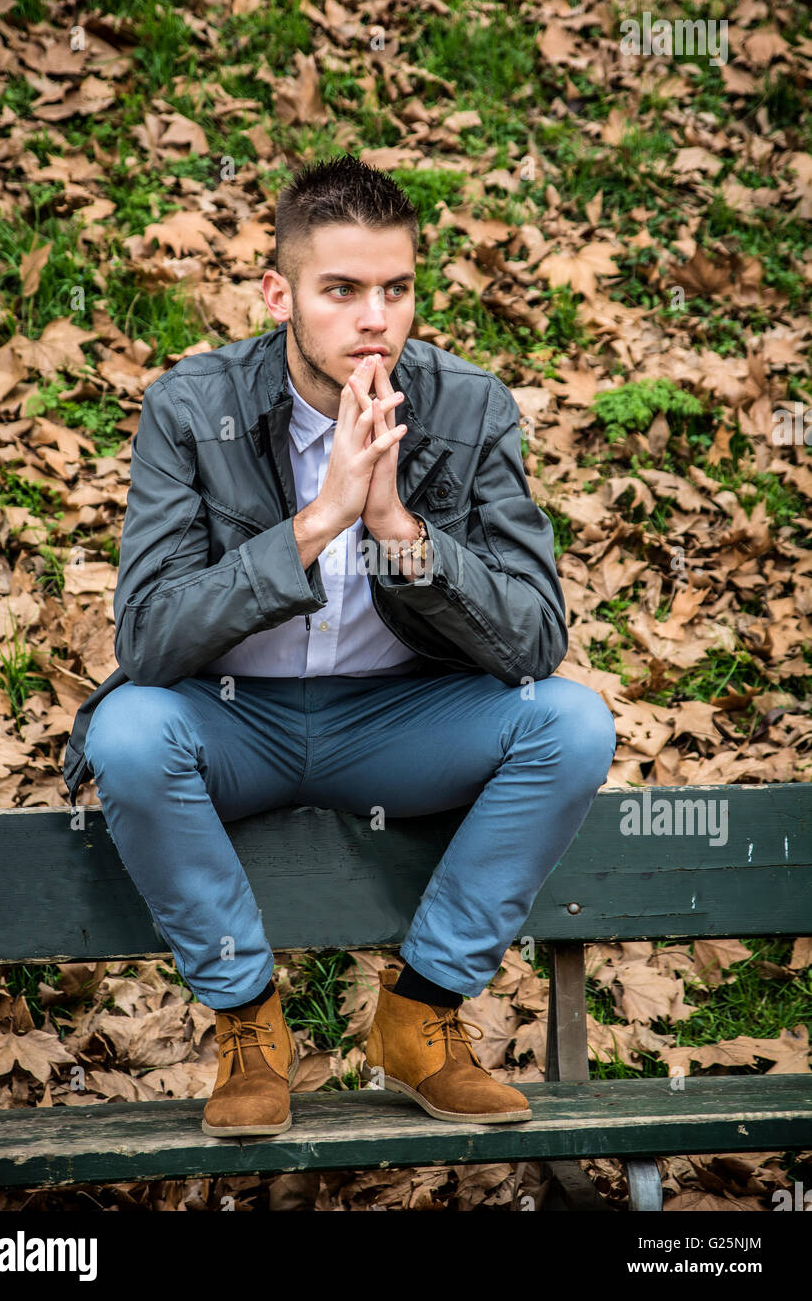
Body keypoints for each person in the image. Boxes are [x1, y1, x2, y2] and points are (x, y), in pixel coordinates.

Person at [66, 153, 616, 1138]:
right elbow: (148, 641)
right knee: (131, 728)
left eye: (395, 289)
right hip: (230, 721)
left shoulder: (466, 406)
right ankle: (248, 1024)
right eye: (342, 290)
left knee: (569, 722)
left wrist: (400, 531)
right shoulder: (191, 408)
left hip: (397, 723)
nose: (374, 317)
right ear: (279, 293)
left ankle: (420, 1014)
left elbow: (534, 638)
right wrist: (316, 524)